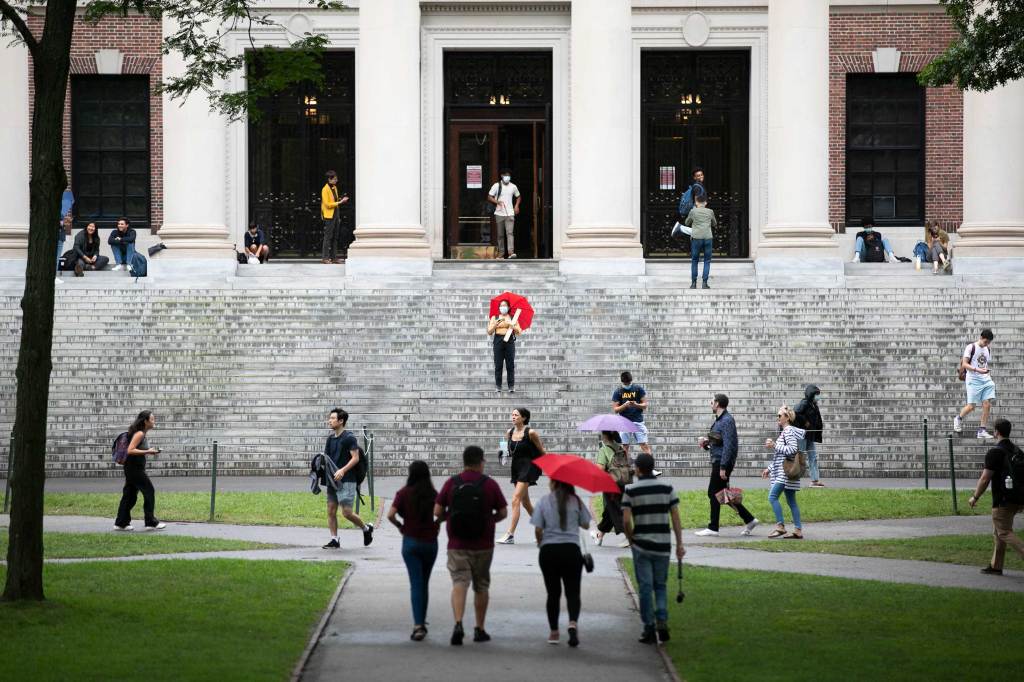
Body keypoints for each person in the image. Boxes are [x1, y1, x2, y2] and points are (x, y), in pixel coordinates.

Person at [434, 445, 508, 646]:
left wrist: (447, 517)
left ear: (464, 462)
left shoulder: (452, 483)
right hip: (483, 544)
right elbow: (503, 512)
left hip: (456, 543)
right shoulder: (489, 484)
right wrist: (489, 520)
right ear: (481, 462)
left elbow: (438, 510)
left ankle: (458, 624)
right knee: (481, 585)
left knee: (459, 582)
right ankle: (479, 628)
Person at [622, 453, 684, 645]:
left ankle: (648, 627)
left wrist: (631, 538)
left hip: (641, 544)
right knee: (660, 585)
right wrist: (680, 543)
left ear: (638, 469)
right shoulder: (667, 488)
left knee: (645, 587)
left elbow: (625, 520)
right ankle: (662, 620)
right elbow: (675, 517)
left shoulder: (630, 490)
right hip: (663, 545)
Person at [531, 480, 591, 647]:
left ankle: (554, 632)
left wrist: (539, 542)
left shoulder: (544, 500)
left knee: (553, 593)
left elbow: (537, 528)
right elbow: (586, 524)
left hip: (549, 551)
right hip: (571, 551)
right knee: (573, 592)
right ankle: (572, 623)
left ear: (554, 484)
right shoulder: (576, 500)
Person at [387, 460, 441, 640]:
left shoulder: (403, 493)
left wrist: (400, 526)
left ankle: (418, 625)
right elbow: (441, 512)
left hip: (410, 542)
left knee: (416, 583)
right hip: (430, 542)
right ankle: (421, 621)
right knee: (424, 583)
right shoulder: (433, 493)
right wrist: (437, 524)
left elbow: (390, 515)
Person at [696, 394, 758, 537]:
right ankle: (749, 519)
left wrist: (723, 467)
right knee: (723, 495)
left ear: (717, 404)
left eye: (712, 401)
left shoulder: (727, 420)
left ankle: (713, 528)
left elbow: (729, 446)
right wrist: (706, 444)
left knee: (713, 493)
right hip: (719, 461)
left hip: (722, 463)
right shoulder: (720, 420)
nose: (710, 403)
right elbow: (718, 444)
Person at [968, 419, 1024, 575]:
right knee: (999, 531)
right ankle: (996, 566)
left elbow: (985, 478)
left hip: (1002, 500)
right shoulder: (1017, 451)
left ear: (996, 432)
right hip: (1017, 497)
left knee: (1004, 532)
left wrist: (975, 497)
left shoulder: (995, 452)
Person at [321, 407, 374, 549]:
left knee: (346, 513)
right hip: (333, 480)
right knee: (331, 511)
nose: (329, 421)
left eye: (332, 418)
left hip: (347, 480)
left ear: (341, 421)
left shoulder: (349, 438)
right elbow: (326, 458)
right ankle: (334, 540)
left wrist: (342, 471)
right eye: (330, 418)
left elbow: (355, 458)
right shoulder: (330, 439)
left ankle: (366, 529)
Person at [498, 407, 545, 544]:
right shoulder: (509, 432)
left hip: (529, 467)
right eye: (512, 414)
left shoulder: (531, 433)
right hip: (516, 467)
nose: (513, 417)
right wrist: (502, 453)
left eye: (516, 415)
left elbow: (541, 451)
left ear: (524, 418)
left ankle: (510, 534)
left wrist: (552, 466)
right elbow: (508, 450)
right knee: (526, 503)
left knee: (515, 499)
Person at [114, 410, 166, 531]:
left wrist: (149, 450)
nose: (154, 421)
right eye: (152, 419)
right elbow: (130, 450)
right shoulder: (139, 434)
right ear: (145, 421)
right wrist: (148, 451)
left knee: (130, 495)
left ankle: (121, 522)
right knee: (149, 491)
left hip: (132, 468)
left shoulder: (140, 433)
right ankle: (150, 521)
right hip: (134, 469)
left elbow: (135, 449)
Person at [762, 406, 805, 539]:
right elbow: (780, 456)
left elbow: (792, 449)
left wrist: (774, 445)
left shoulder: (788, 431)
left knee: (772, 497)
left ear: (787, 417)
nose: (778, 418)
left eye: (779, 415)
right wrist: (769, 469)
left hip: (784, 473)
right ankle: (798, 530)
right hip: (785, 471)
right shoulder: (786, 431)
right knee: (791, 501)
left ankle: (780, 527)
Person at [613, 371, 660, 476]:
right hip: (624, 422)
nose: (627, 384)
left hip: (638, 421)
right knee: (625, 446)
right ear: (622, 382)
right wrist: (625, 405)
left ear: (631, 381)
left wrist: (636, 404)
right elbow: (616, 409)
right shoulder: (618, 391)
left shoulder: (638, 389)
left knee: (644, 445)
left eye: (628, 382)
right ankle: (625, 470)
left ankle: (650, 469)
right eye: (625, 383)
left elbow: (645, 405)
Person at [955, 329, 996, 440]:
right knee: (971, 406)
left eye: (989, 342)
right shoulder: (971, 347)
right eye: (986, 341)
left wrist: (985, 371)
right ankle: (958, 418)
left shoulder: (987, 349)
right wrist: (977, 370)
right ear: (981, 337)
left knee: (987, 404)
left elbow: (984, 363)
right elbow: (964, 364)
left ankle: (982, 430)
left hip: (985, 379)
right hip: (973, 379)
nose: (987, 344)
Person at [593, 430, 631, 548]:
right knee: (610, 510)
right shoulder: (620, 448)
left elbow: (599, 469)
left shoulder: (603, 450)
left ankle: (629, 536)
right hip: (620, 482)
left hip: (609, 484)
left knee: (616, 510)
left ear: (604, 435)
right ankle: (599, 535)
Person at [487, 299, 522, 393]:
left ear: (508, 307)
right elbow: (489, 332)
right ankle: (498, 386)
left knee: (510, 364)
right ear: (499, 307)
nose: (503, 307)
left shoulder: (513, 318)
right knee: (498, 364)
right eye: (501, 305)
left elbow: (519, 331)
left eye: (505, 305)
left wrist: (512, 325)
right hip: (498, 340)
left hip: (509, 341)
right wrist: (495, 325)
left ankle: (511, 386)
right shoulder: (495, 317)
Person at [794, 384, 825, 487]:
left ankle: (815, 480)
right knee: (800, 457)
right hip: (802, 436)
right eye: (816, 394)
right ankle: (793, 478)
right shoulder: (804, 403)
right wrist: (805, 421)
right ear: (811, 394)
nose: (818, 396)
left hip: (810, 436)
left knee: (813, 457)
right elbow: (795, 412)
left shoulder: (814, 405)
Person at [684, 193, 717, 289]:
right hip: (707, 238)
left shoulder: (693, 211)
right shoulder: (710, 211)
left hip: (696, 238)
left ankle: (693, 283)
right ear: (705, 203)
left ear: (696, 202)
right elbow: (715, 223)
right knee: (707, 260)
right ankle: (704, 283)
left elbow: (687, 222)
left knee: (694, 260)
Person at [487, 168, 521, 259]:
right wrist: (497, 202)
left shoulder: (513, 186)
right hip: (499, 213)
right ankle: (501, 254)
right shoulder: (496, 186)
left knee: (510, 233)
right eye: (506, 175)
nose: (507, 177)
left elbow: (518, 196)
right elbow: (489, 197)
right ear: (502, 176)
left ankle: (511, 252)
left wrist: (516, 206)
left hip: (510, 213)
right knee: (500, 235)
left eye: (509, 175)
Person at [320, 170, 349, 264]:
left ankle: (334, 257)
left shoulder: (334, 187)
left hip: (336, 214)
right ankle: (325, 258)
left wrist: (340, 200)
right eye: (335, 179)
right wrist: (340, 202)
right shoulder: (325, 189)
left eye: (336, 178)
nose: (336, 180)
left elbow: (335, 200)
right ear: (329, 179)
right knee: (328, 236)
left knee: (335, 236)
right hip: (329, 215)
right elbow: (328, 204)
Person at [56, 188, 73, 284]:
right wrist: (62, 223)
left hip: (60, 236)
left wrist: (64, 222)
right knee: (56, 257)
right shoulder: (56, 211)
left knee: (57, 257)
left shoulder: (61, 212)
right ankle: (53, 276)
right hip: (57, 237)